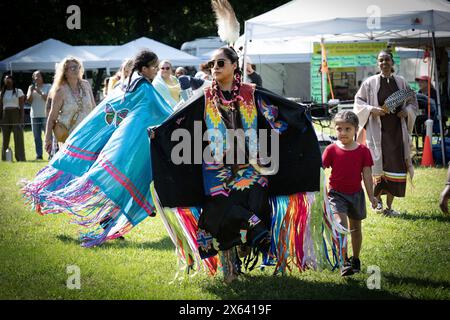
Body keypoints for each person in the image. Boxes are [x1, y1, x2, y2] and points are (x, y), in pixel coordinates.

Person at [150, 47, 346, 283]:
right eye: (212, 64)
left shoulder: (251, 93)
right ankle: (229, 269)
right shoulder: (204, 96)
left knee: (252, 210)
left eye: (221, 63)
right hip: (216, 169)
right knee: (220, 210)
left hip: (253, 167)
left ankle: (245, 247)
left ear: (235, 65)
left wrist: (299, 113)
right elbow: (180, 119)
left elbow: (278, 110)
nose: (215, 68)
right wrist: (160, 132)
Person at [22, 50, 173, 247]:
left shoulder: (127, 84)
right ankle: (96, 213)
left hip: (115, 141)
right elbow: (164, 111)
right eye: (154, 66)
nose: (157, 70)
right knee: (117, 181)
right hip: (119, 145)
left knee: (115, 182)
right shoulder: (142, 87)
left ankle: (107, 219)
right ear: (144, 68)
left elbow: (101, 108)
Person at [354, 50, 418, 217]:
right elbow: (358, 102)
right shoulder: (369, 83)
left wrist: (407, 111)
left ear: (392, 62)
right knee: (377, 167)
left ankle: (389, 206)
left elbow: (412, 101)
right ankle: (377, 203)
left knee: (395, 167)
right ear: (378, 63)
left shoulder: (402, 82)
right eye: (381, 60)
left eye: (387, 60)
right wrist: (371, 109)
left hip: (396, 132)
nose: (384, 63)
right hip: (376, 133)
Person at [322, 110, 377, 276]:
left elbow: (367, 175)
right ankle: (344, 261)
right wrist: (322, 194)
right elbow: (320, 171)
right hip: (336, 195)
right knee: (341, 226)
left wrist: (371, 196)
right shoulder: (331, 150)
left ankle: (356, 259)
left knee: (356, 229)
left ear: (355, 129)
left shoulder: (363, 151)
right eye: (339, 129)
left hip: (356, 194)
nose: (343, 133)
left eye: (347, 129)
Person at [45, 57, 96, 154]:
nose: (76, 70)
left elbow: (94, 108)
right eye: (72, 68)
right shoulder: (61, 90)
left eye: (77, 67)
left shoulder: (86, 85)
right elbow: (52, 117)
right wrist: (47, 139)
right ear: (65, 72)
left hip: (88, 135)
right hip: (69, 137)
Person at [26, 71, 51, 160]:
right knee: (36, 137)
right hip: (34, 115)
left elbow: (48, 99)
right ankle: (39, 155)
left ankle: (50, 154)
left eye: (38, 76)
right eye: (35, 77)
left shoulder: (48, 86)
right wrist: (31, 91)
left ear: (42, 77)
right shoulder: (30, 87)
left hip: (45, 115)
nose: (36, 78)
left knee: (48, 136)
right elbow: (28, 101)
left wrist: (39, 91)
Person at [1, 74, 26, 161]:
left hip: (16, 113)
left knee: (18, 136)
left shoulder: (18, 91)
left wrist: (22, 118)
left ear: (13, 80)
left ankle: (20, 158)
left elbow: (22, 107)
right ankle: (5, 158)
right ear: (4, 81)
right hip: (5, 114)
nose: (8, 80)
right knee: (5, 137)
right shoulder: (2, 93)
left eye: (9, 79)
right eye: (6, 79)